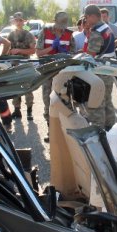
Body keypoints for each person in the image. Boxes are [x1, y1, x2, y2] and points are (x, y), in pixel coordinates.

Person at [36, 11, 76, 142]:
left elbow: (73, 54)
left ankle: (66, 131)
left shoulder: (69, 34)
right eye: (59, 25)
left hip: (63, 73)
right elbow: (38, 53)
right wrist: (51, 49)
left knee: (65, 100)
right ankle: (51, 131)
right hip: (48, 72)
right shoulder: (45, 32)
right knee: (48, 101)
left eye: (63, 25)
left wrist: (65, 53)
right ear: (54, 21)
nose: (61, 28)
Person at [82, 4, 116, 130]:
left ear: (92, 16)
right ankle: (110, 129)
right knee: (107, 101)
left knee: (97, 104)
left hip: (99, 72)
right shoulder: (106, 27)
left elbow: (91, 54)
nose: (86, 20)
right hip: (109, 69)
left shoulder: (97, 31)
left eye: (86, 17)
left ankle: (99, 133)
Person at [7, 12, 37, 121]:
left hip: (25, 65)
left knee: (28, 88)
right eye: (16, 20)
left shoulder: (28, 35)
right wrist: (9, 52)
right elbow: (7, 49)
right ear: (14, 21)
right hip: (14, 65)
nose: (18, 22)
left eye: (20, 20)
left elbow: (33, 50)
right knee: (15, 88)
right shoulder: (10, 35)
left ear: (23, 21)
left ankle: (29, 111)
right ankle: (17, 110)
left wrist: (19, 50)